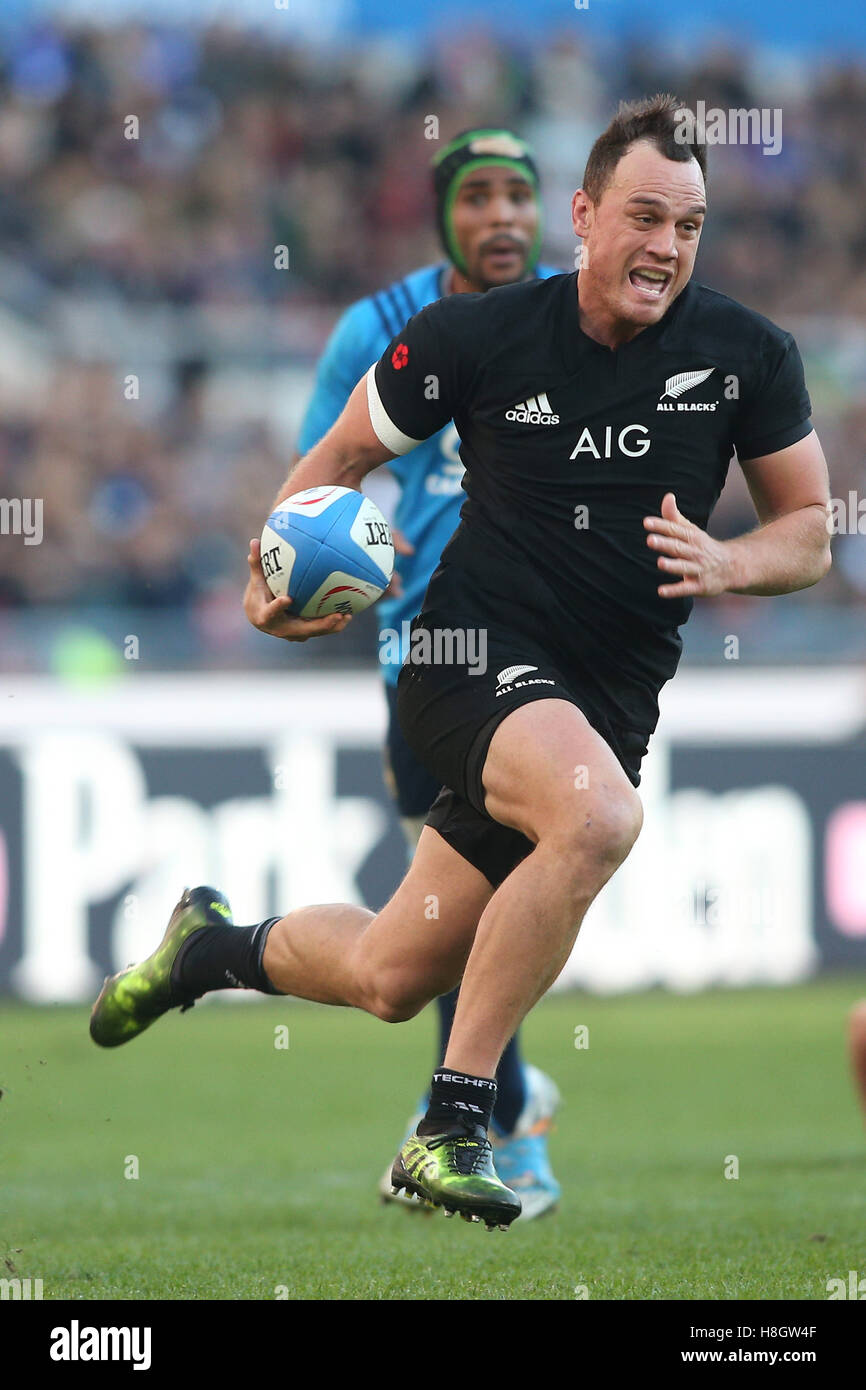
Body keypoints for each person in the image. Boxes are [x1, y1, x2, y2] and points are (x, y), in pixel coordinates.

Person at [90, 95, 832, 1233]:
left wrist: (729, 560)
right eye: (642, 217)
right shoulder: (470, 340)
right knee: (597, 819)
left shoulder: (744, 355)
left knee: (394, 973)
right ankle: (451, 1125)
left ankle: (208, 947)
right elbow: (335, 455)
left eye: (687, 226)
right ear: (580, 217)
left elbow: (810, 531)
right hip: (461, 661)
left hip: (601, 706)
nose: (666, 248)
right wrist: (264, 572)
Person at [293, 128, 562, 1220]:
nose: (501, 217)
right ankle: (502, 1103)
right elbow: (321, 479)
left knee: (496, 885)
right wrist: (357, 544)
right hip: (423, 654)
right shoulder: (379, 329)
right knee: (454, 908)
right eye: (478, 197)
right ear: (442, 212)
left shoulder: (571, 313)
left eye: (518, 196)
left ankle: (484, 1123)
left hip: (545, 647)